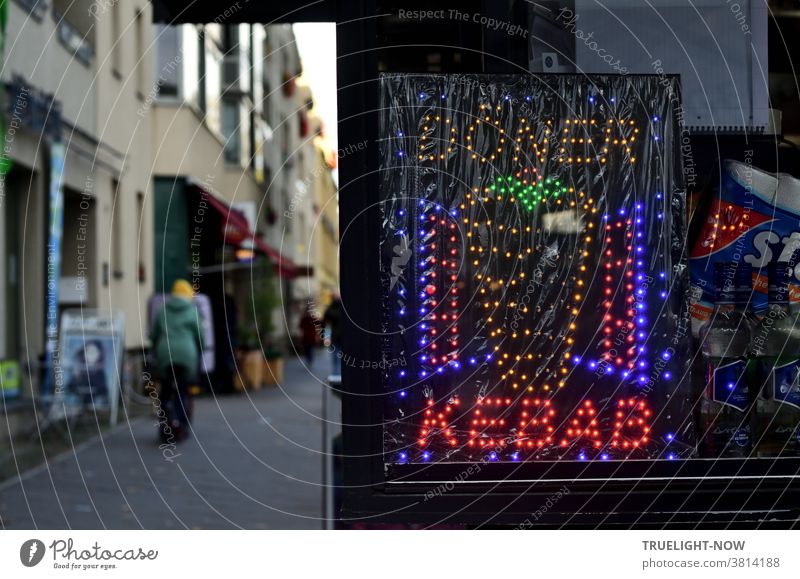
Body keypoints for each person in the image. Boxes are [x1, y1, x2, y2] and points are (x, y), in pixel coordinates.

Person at [150, 280, 205, 441]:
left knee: (165, 391)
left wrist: (155, 349)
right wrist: (200, 350)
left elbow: (154, 335)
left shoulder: (162, 310)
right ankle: (181, 426)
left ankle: (164, 426)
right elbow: (200, 336)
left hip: (164, 354)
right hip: (187, 355)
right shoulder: (193, 311)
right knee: (182, 390)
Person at [322, 296, 343, 375]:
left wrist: (323, 335)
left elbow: (323, 323)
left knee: (336, 359)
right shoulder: (345, 309)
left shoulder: (330, 310)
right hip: (344, 338)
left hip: (334, 337)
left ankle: (336, 377)